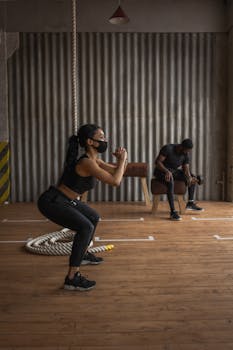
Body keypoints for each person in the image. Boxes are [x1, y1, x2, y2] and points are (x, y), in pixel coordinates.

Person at [38, 124, 127, 291]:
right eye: (101, 138)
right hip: (52, 201)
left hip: (65, 200)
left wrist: (121, 161)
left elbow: (119, 172)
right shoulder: (86, 162)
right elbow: (116, 181)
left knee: (93, 217)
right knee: (85, 227)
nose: (105, 140)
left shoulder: (95, 160)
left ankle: (83, 254)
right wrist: (122, 160)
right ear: (90, 142)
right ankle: (72, 278)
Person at [153, 138, 203, 221]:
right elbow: (157, 162)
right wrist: (166, 171)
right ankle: (173, 212)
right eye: (186, 150)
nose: (187, 152)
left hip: (172, 171)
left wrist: (189, 178)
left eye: (188, 151)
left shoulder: (185, 154)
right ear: (181, 147)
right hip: (160, 171)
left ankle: (190, 203)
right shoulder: (168, 148)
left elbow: (186, 168)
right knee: (170, 181)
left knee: (192, 176)